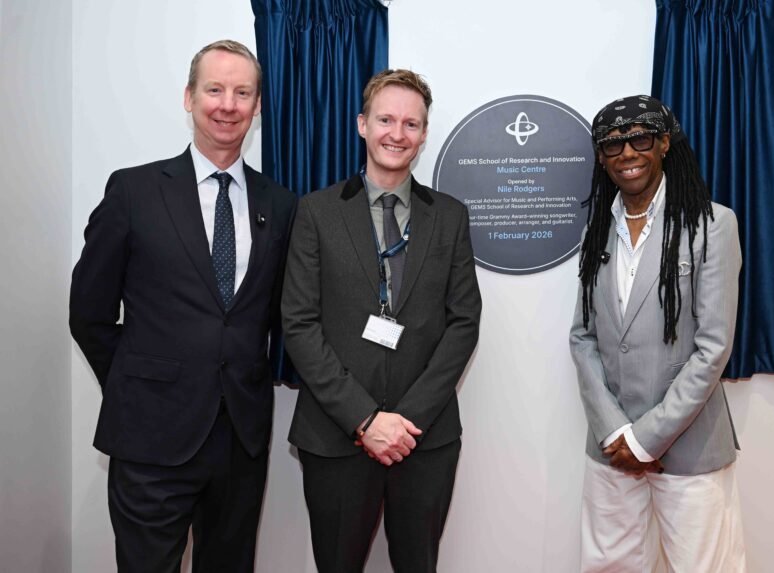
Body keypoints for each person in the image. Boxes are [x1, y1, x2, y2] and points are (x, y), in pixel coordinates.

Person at [69, 40, 296, 572]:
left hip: (239, 440)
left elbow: (279, 316)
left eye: (242, 93)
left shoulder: (281, 204)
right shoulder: (134, 191)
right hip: (149, 437)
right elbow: (89, 314)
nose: (228, 105)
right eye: (214, 89)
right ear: (189, 98)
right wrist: (140, 383)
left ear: (258, 107)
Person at [281, 69, 482, 573]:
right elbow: (299, 323)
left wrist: (405, 420)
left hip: (424, 437)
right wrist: (365, 420)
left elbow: (464, 322)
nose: (398, 133)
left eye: (411, 124)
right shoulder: (316, 212)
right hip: (335, 435)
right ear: (362, 125)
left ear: (424, 133)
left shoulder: (451, 216)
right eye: (386, 120)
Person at [570, 95, 746, 572]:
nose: (627, 153)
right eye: (613, 144)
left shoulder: (713, 225)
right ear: (601, 158)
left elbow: (713, 348)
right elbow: (583, 337)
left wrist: (647, 440)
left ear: (664, 143)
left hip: (690, 450)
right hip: (611, 449)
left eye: (640, 139)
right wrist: (616, 433)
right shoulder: (595, 234)